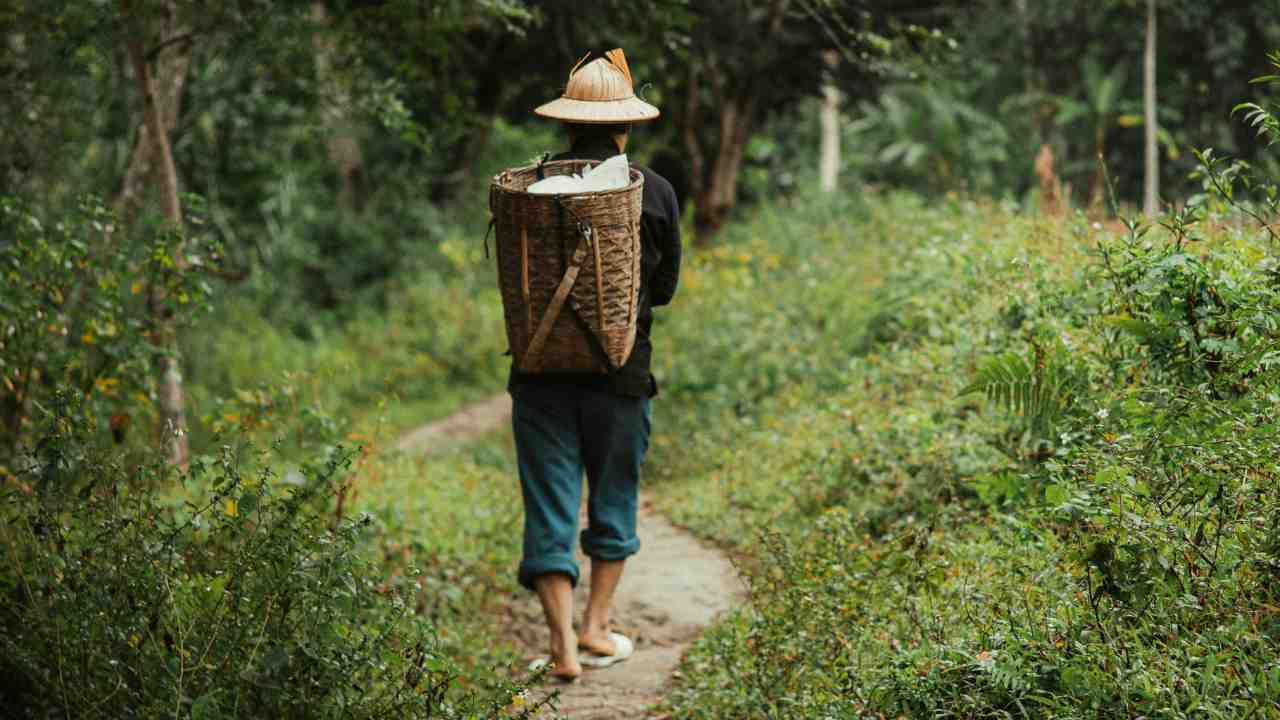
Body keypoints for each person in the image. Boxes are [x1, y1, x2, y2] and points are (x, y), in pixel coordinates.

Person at [513, 48, 681, 683]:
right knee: (614, 496)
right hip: (621, 375)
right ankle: (597, 628)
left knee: (549, 506)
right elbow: (661, 291)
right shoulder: (654, 192)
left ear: (564, 122)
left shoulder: (527, 187)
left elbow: (517, 283)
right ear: (627, 124)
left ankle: (560, 649)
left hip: (537, 376)